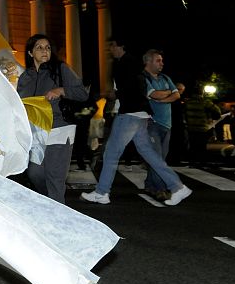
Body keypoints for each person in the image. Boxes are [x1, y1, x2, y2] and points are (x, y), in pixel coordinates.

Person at [81, 37, 192, 206]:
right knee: (150, 154)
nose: (110, 49)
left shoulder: (123, 64)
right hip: (141, 114)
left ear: (120, 46)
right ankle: (177, 186)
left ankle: (102, 192)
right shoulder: (135, 65)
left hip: (129, 114)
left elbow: (127, 89)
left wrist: (113, 95)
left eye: (112, 45)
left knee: (111, 153)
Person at [16, 34, 89, 203]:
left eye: (47, 48)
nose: (44, 51)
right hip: (36, 132)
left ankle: (58, 216)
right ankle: (50, 202)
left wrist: (61, 90)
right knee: (35, 173)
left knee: (55, 177)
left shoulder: (60, 69)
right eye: (39, 47)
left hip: (60, 128)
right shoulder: (25, 77)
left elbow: (82, 94)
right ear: (30, 53)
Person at [141, 49, 180, 201]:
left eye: (162, 60)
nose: (162, 63)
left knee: (160, 158)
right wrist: (167, 92)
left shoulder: (165, 77)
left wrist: (162, 98)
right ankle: (160, 189)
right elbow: (153, 94)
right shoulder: (143, 78)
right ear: (148, 61)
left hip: (167, 125)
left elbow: (176, 95)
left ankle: (150, 184)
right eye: (158, 60)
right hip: (152, 124)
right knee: (158, 159)